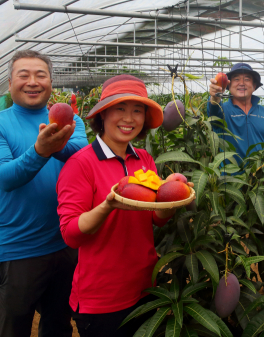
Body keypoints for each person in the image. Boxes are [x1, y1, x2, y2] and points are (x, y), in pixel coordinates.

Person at [56, 75, 189, 337]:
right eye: (120, 109)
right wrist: (108, 205)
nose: (129, 119)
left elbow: (157, 218)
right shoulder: (81, 164)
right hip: (102, 300)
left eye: (137, 111)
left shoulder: (144, 158)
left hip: (145, 288)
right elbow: (71, 233)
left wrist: (170, 196)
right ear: (103, 115)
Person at [0, 50, 87, 337]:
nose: (32, 82)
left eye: (40, 75)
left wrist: (56, 142)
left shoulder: (72, 122)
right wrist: (40, 150)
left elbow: (82, 156)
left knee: (59, 325)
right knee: (14, 329)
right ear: (10, 83)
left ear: (50, 83)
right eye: (23, 75)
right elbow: (2, 177)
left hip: (64, 246)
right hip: (15, 250)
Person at [208, 62, 264, 161]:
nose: (241, 83)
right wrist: (214, 98)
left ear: (254, 86)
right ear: (229, 85)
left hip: (261, 173)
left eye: (247, 79)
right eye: (236, 79)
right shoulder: (222, 110)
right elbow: (212, 112)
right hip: (230, 175)